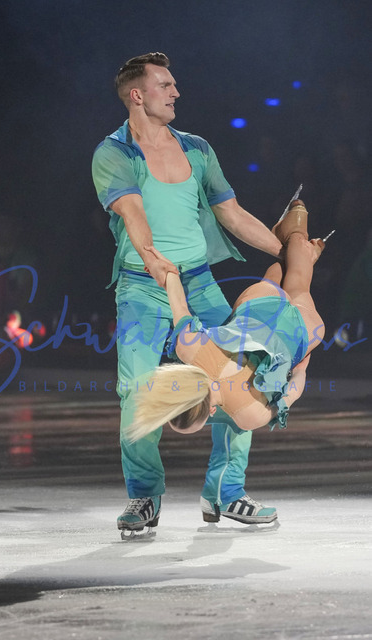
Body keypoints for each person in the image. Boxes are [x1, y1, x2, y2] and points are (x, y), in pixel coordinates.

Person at [91, 52, 283, 535]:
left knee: (239, 377)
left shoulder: (197, 148)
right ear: (138, 95)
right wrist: (153, 260)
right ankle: (144, 496)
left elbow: (232, 213)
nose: (176, 92)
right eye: (165, 85)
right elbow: (133, 214)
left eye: (174, 84)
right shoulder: (114, 153)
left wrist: (290, 252)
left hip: (198, 281)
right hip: (142, 286)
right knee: (137, 390)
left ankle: (225, 492)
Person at [127, 201, 326, 518]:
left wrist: (302, 365)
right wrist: (163, 267)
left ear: (210, 412)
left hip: (299, 331)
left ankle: (300, 237)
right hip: (257, 304)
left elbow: (295, 389)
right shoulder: (191, 349)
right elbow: (176, 296)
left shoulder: (249, 415)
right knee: (287, 273)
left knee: (300, 279)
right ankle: (293, 233)